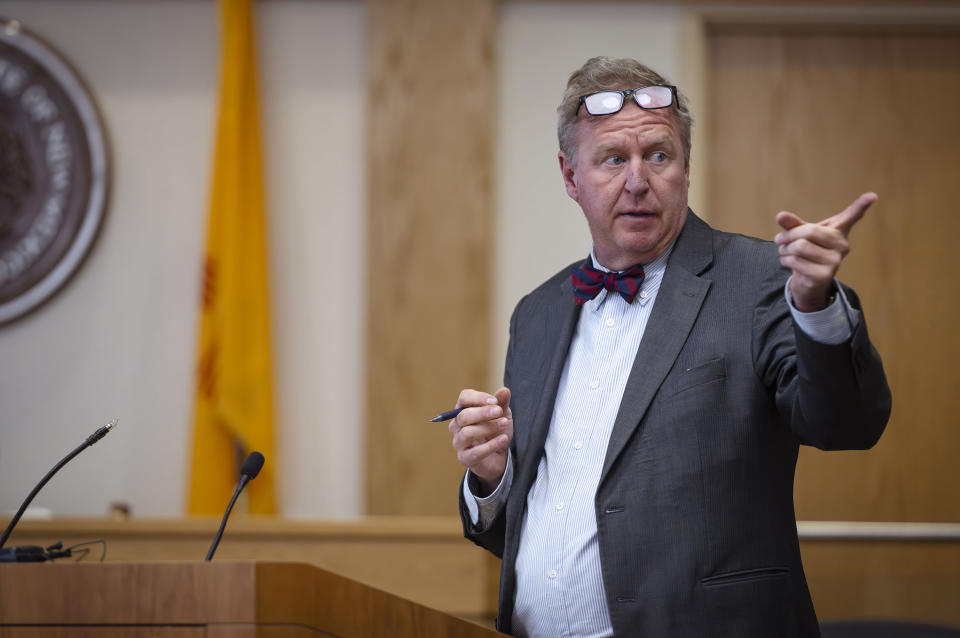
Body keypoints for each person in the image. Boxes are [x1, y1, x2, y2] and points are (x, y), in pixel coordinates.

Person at [449, 56, 891, 638]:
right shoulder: (537, 312)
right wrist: (492, 480)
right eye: (613, 159)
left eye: (658, 155)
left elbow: (846, 424)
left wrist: (814, 304)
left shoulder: (762, 281)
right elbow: (551, 521)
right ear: (569, 175)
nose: (638, 180)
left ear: (686, 166)